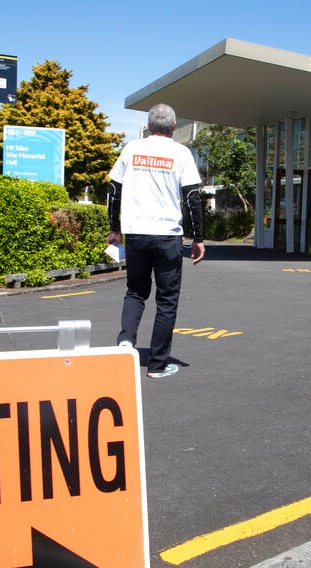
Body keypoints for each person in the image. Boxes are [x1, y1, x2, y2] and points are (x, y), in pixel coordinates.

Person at [107, 103, 204, 378]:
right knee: (167, 300)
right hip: (167, 236)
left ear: (149, 126)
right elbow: (191, 197)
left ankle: (126, 342)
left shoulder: (132, 149)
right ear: (174, 127)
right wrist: (198, 238)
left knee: (135, 291)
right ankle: (158, 364)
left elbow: (113, 189)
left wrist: (115, 228)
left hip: (136, 232)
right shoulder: (181, 153)